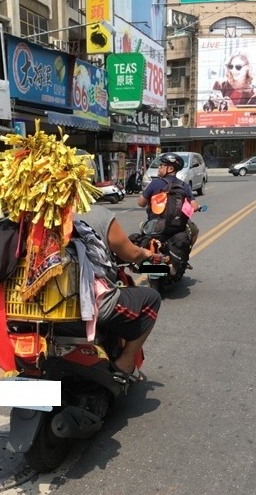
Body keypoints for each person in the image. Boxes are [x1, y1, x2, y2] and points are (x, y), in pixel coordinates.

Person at [77, 207, 161, 379]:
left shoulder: (28, 215)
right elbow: (132, 253)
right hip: (88, 303)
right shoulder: (96, 213)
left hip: (32, 309)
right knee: (152, 298)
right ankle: (125, 363)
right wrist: (145, 252)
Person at [137, 153, 200, 272]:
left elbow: (141, 203)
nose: (159, 168)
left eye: (162, 165)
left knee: (141, 229)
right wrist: (196, 207)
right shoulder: (184, 186)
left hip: (155, 227)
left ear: (170, 169)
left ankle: (143, 262)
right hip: (176, 227)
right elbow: (194, 206)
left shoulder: (155, 183)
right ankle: (183, 259)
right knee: (194, 230)